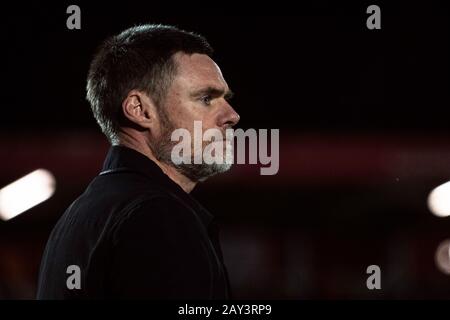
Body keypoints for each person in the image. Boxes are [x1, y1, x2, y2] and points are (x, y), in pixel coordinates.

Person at [37, 24, 240, 299]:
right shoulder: (158, 216)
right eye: (206, 98)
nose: (232, 115)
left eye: (225, 99)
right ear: (140, 110)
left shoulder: (79, 215)